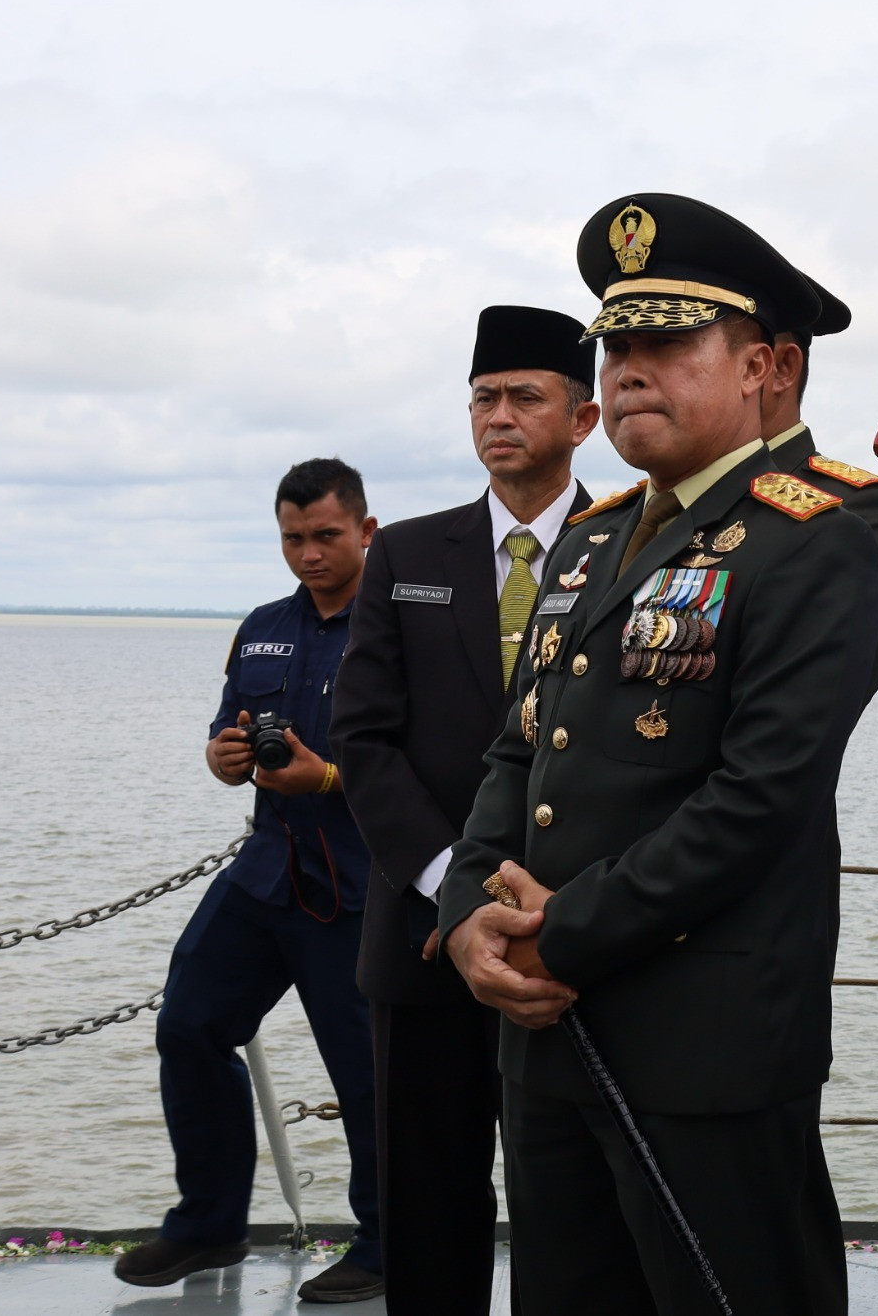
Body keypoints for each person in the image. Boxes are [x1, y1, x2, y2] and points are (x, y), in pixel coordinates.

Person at [437, 193, 878, 1315]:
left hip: (703, 1043)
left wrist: (559, 932)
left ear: (769, 367)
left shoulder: (829, 532)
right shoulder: (590, 536)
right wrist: (460, 915)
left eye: (667, 341)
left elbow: (759, 795)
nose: (627, 368)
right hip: (547, 1035)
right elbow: (517, 747)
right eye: (616, 346)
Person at [332, 306, 599, 1314]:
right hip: (424, 938)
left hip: (570, 936)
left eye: (524, 396)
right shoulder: (406, 554)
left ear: (582, 418)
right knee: (429, 1201)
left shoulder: (633, 543)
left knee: (570, 1208)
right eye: (484, 397)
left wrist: (554, 903)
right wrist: (455, 885)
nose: (499, 416)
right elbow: (362, 738)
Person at [117, 458, 385, 1302]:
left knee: (371, 1076)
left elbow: (444, 768)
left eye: (325, 536)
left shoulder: (403, 628)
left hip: (363, 885)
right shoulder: (264, 625)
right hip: (268, 871)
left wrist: (331, 778)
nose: (307, 554)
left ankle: (387, 1244)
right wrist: (223, 759)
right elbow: (224, 737)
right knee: (189, 1026)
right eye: (292, 539)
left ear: (366, 531)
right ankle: (209, 1226)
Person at [759, 274, 878, 682]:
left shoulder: (857, 512)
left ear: (781, 367)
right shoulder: (631, 517)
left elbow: (809, 710)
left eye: (678, 348)